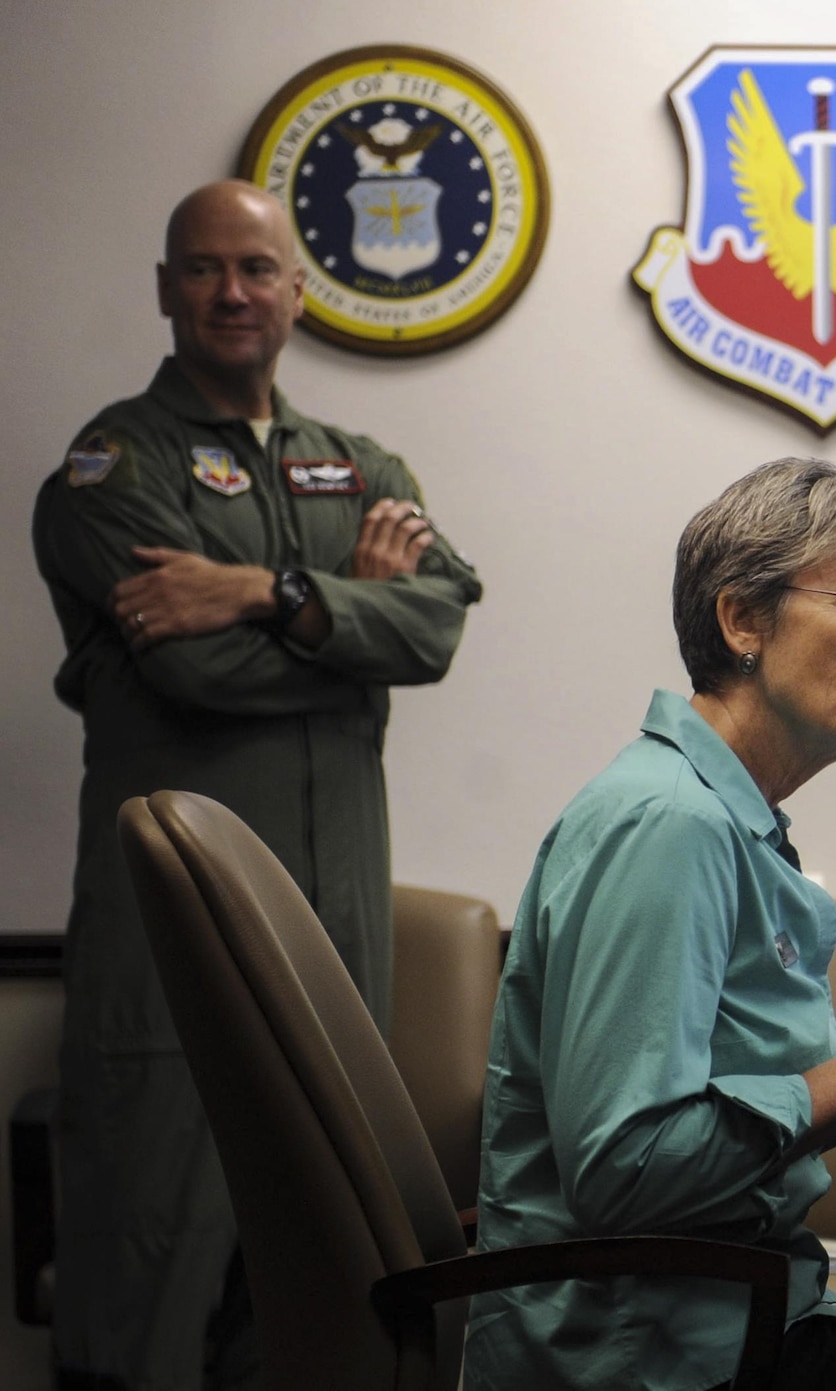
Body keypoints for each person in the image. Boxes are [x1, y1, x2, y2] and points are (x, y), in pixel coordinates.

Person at [31, 179, 483, 1390]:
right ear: (166, 288)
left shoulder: (361, 462)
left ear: (297, 287)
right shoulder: (111, 466)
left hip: (333, 937)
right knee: (150, 1277)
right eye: (203, 267)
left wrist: (260, 589)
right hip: (165, 947)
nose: (232, 291)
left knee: (319, 1277)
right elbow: (192, 666)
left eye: (257, 267)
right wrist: (351, 620)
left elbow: (436, 627)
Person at [466, 458, 836, 1391]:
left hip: (731, 1319)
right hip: (652, 1359)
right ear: (744, 618)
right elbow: (625, 1173)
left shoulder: (720, 814)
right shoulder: (669, 822)